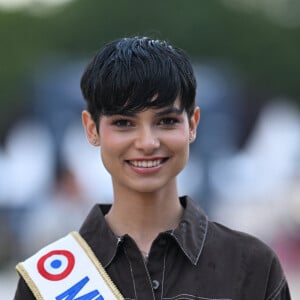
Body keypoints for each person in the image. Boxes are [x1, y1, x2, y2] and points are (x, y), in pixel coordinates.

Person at [14, 37, 291, 300]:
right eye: (124, 123)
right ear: (91, 129)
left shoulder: (252, 265)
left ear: (192, 124)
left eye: (167, 121)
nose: (147, 143)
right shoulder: (45, 281)